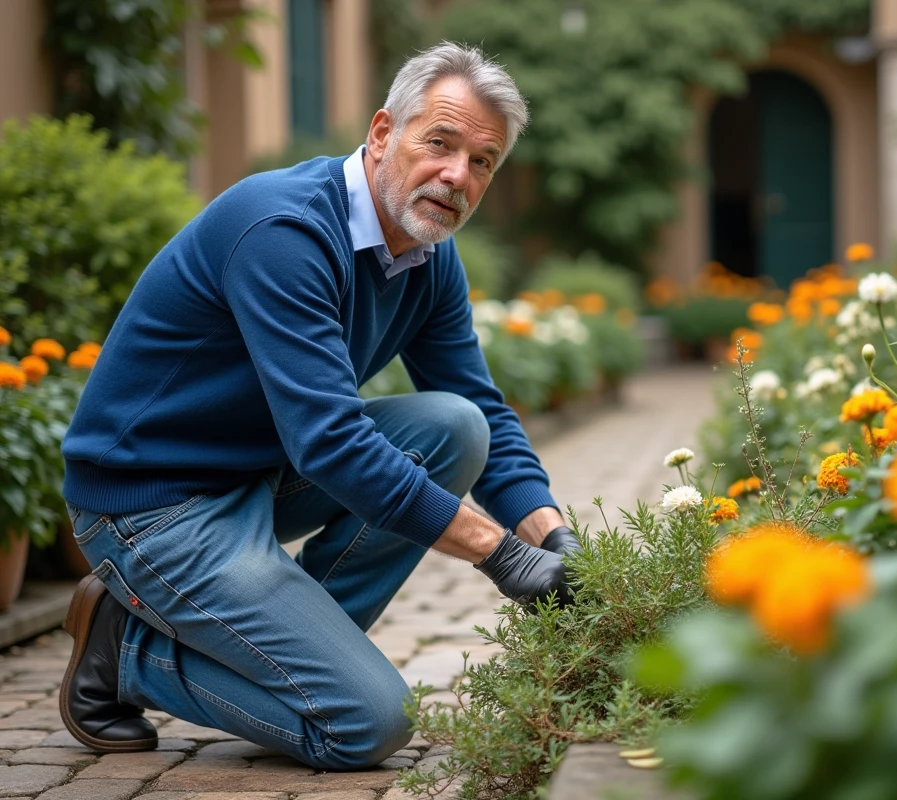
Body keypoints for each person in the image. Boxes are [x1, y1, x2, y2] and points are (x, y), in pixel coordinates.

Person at [57, 42, 581, 770]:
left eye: (482, 161)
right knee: (367, 724)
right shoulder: (286, 230)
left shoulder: (429, 255)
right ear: (380, 134)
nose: (457, 175)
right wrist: (504, 556)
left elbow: (480, 408)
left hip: (256, 476)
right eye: (440, 143)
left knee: (453, 430)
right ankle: (128, 654)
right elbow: (331, 443)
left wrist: (553, 535)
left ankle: (278, 647)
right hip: (152, 504)